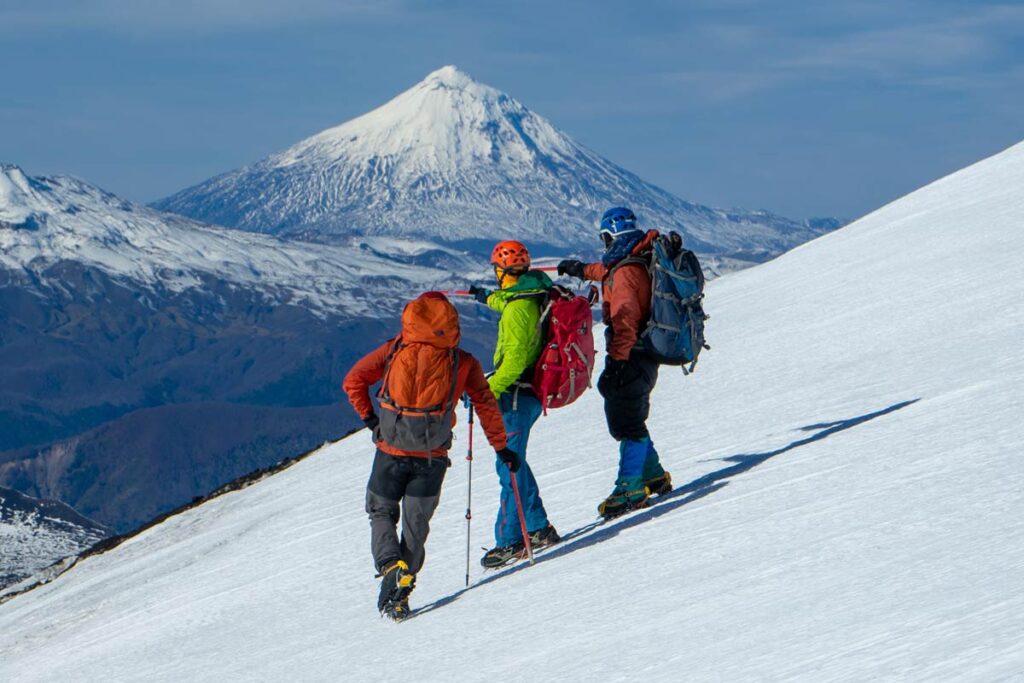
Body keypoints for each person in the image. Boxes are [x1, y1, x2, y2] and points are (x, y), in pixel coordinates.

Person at [342, 291, 516, 620]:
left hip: (390, 453)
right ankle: (401, 592)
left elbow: (354, 381)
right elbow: (485, 403)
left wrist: (371, 421)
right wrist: (501, 446)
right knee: (415, 527)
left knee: (380, 511)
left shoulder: (395, 349)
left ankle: (391, 567)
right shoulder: (462, 361)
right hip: (431, 458)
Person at [556, 207, 673, 518]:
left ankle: (631, 488)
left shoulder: (626, 271)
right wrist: (580, 269)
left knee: (626, 421)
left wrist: (617, 363)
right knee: (631, 415)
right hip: (646, 351)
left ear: (610, 236)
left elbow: (625, 320)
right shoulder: (637, 256)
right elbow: (609, 271)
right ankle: (653, 475)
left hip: (632, 353)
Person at [468, 241, 560, 568]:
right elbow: (508, 302)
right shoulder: (530, 293)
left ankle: (510, 541)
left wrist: (483, 391)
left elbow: (515, 359)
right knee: (514, 462)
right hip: (528, 391)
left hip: (518, 393)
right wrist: (485, 297)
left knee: (508, 466)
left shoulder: (519, 309)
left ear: (500, 271)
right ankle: (537, 528)